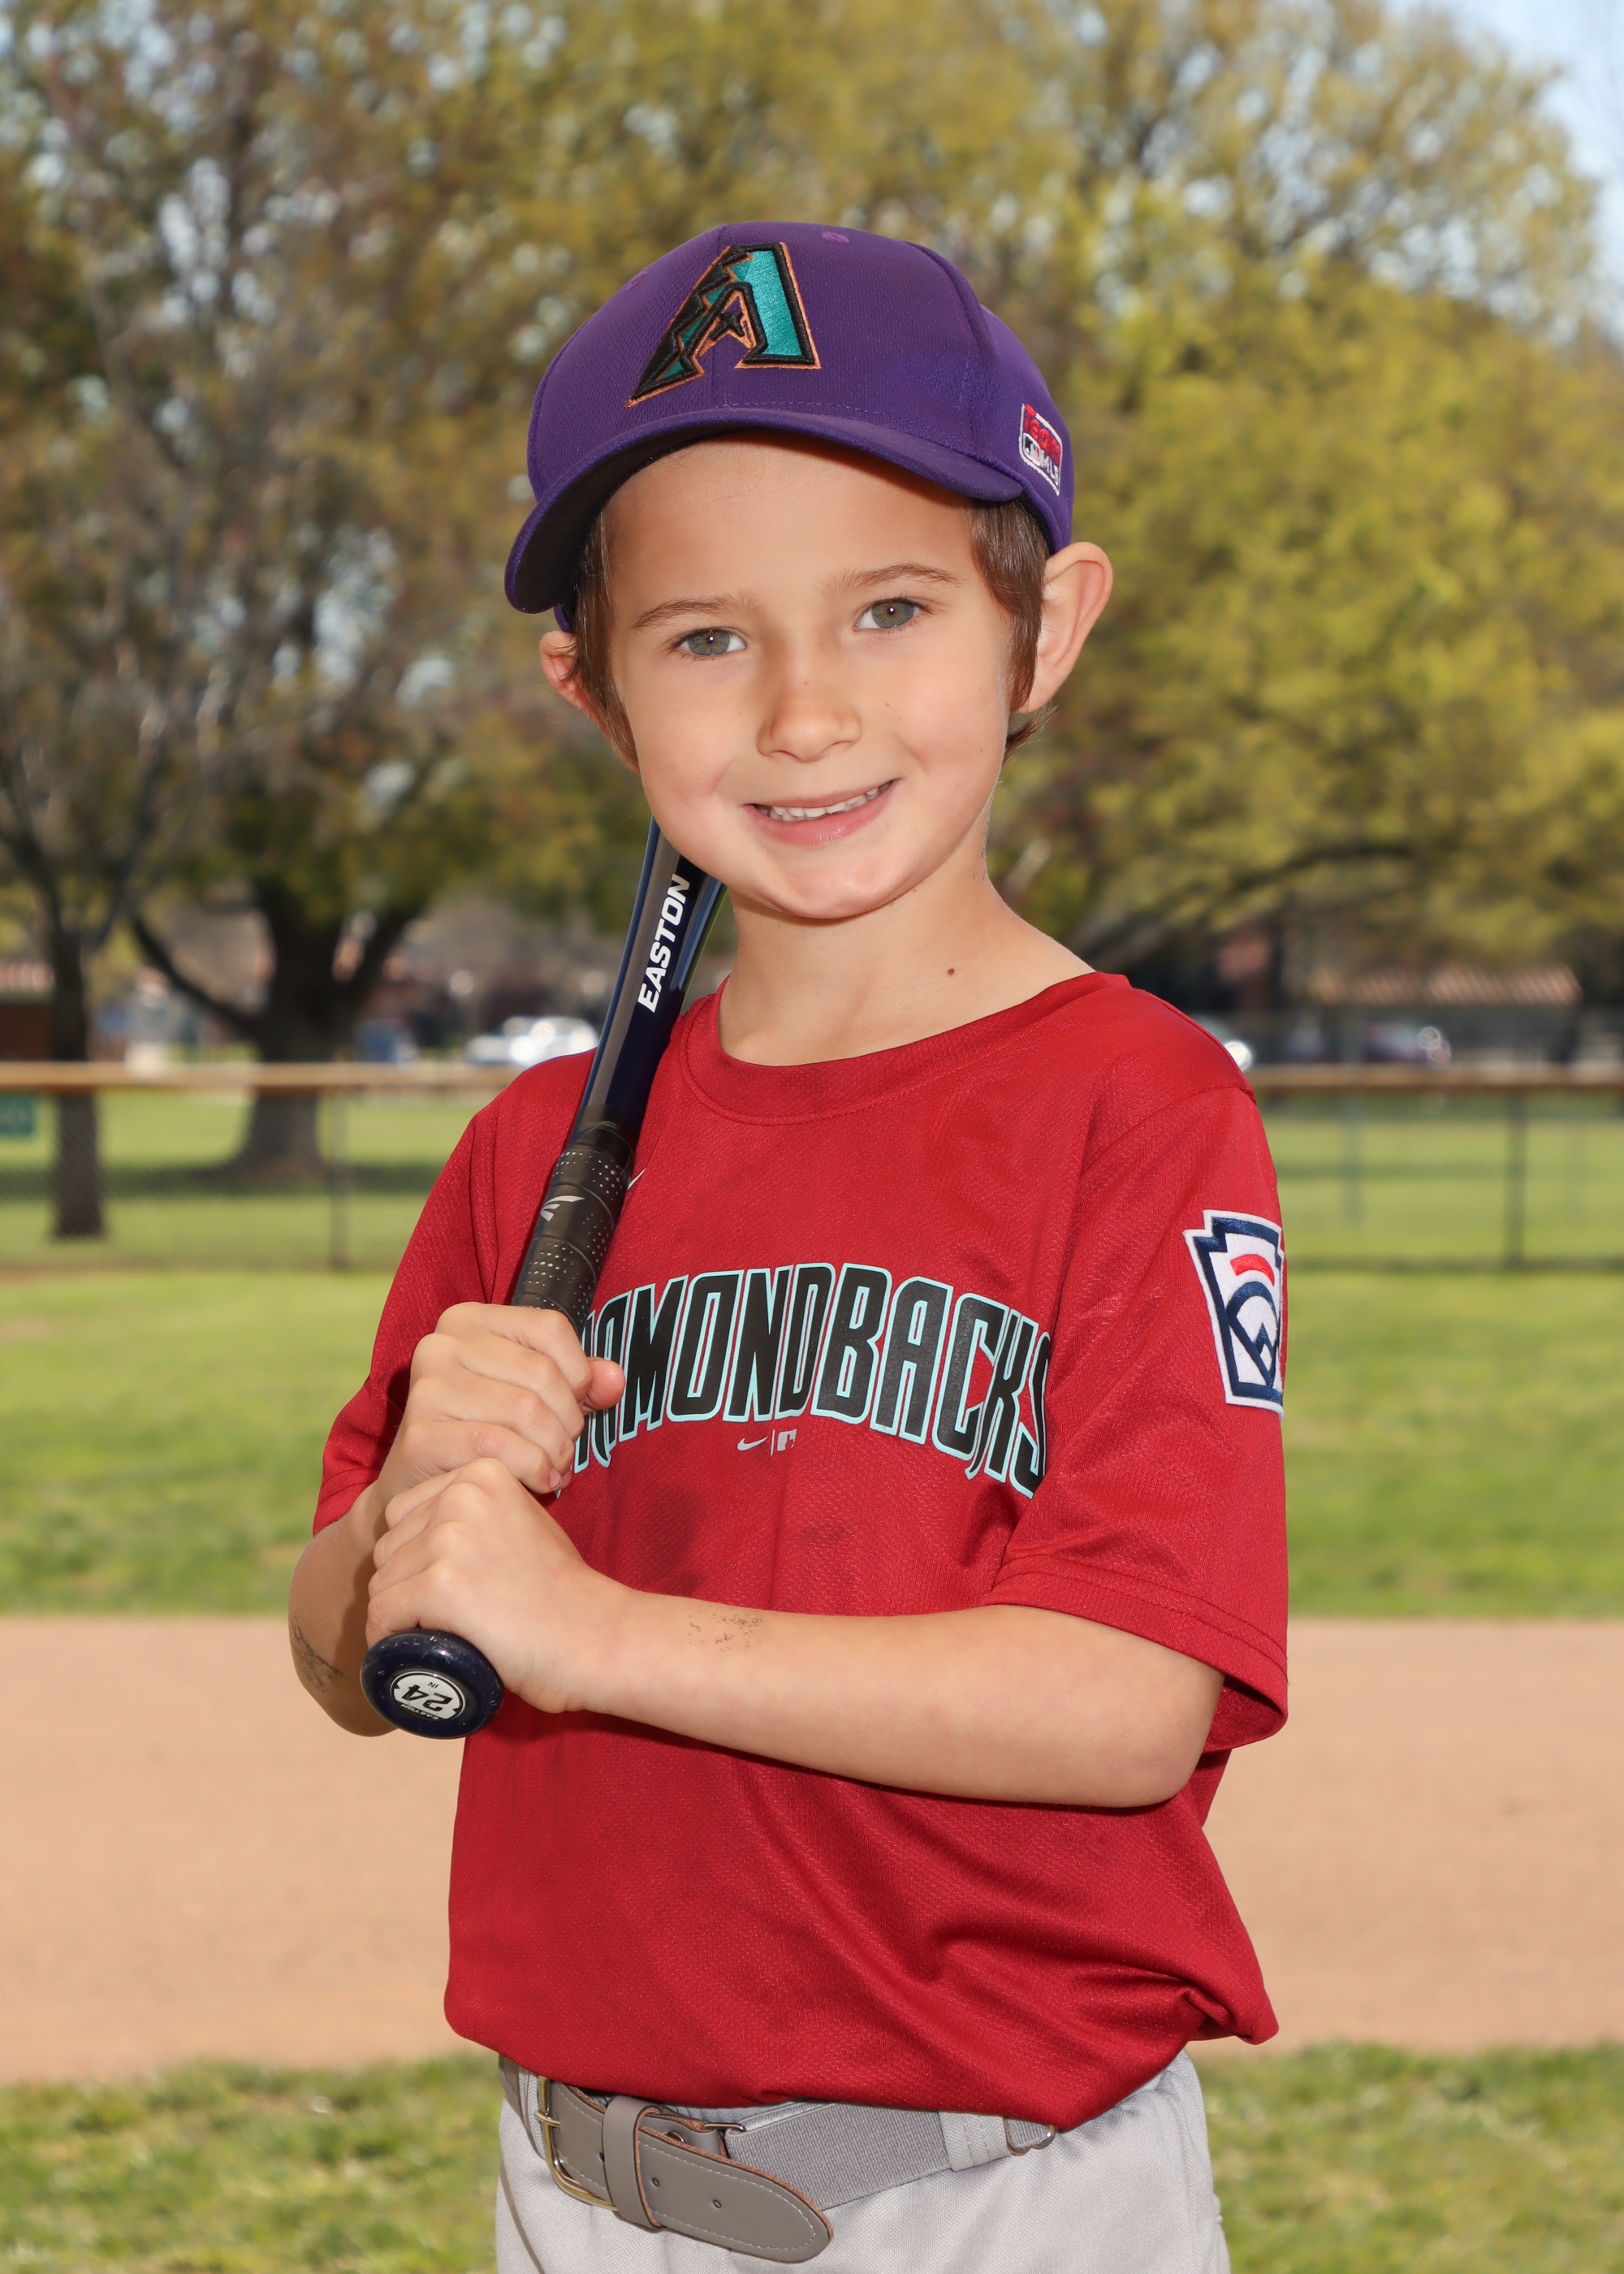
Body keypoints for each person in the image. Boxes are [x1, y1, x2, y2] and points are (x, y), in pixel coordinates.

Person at [288, 222, 1287, 2274]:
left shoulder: (1137, 1102)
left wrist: (590, 1631)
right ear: (592, 687)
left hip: (992, 2195)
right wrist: (407, 1510)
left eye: (892, 609)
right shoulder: (533, 1151)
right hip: (578, 2185)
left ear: (1046, 627)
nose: (807, 711)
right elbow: (348, 1657)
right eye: (705, 639)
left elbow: (1123, 1699)